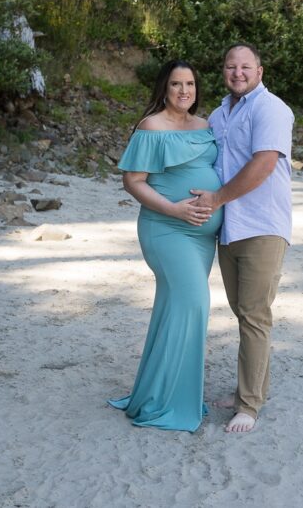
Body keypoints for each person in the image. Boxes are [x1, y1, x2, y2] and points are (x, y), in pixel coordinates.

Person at [108, 60, 219, 432]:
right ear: (164, 88)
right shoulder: (150, 127)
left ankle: (159, 393)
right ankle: (167, 401)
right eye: (176, 84)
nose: (184, 91)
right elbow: (133, 181)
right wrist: (174, 209)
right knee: (195, 303)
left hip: (201, 237)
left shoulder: (205, 127)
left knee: (174, 308)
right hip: (166, 229)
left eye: (189, 84)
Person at [190, 43, 294, 433]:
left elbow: (264, 163)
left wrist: (216, 198)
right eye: (231, 66)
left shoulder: (272, 109)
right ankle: (246, 390)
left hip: (263, 226)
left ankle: (249, 405)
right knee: (244, 312)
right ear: (223, 71)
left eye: (245, 66)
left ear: (260, 71)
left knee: (254, 315)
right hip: (229, 227)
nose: (238, 72)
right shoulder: (218, 115)